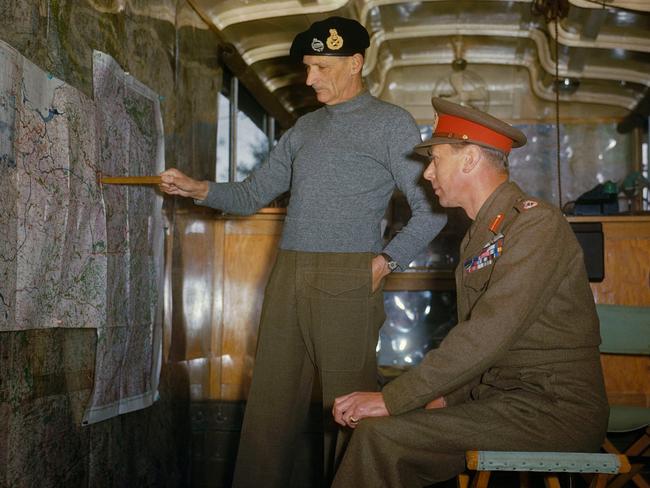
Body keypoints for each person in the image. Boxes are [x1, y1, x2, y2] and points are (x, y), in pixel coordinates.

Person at [158, 16, 446, 487]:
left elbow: (430, 211)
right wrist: (197, 188)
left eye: (319, 67)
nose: (309, 78)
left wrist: (385, 262)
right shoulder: (304, 129)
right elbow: (252, 194)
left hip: (348, 278)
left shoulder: (391, 124)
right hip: (288, 275)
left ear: (355, 64)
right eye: (307, 67)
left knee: (351, 412)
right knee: (268, 412)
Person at [331, 97, 609, 487]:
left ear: (469, 159)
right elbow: (480, 343)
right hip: (500, 401)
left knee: (381, 434)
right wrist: (444, 397)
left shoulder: (535, 226)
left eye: (435, 159)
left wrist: (393, 398)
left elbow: (488, 333)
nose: (427, 174)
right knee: (382, 429)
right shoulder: (480, 237)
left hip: (553, 408)